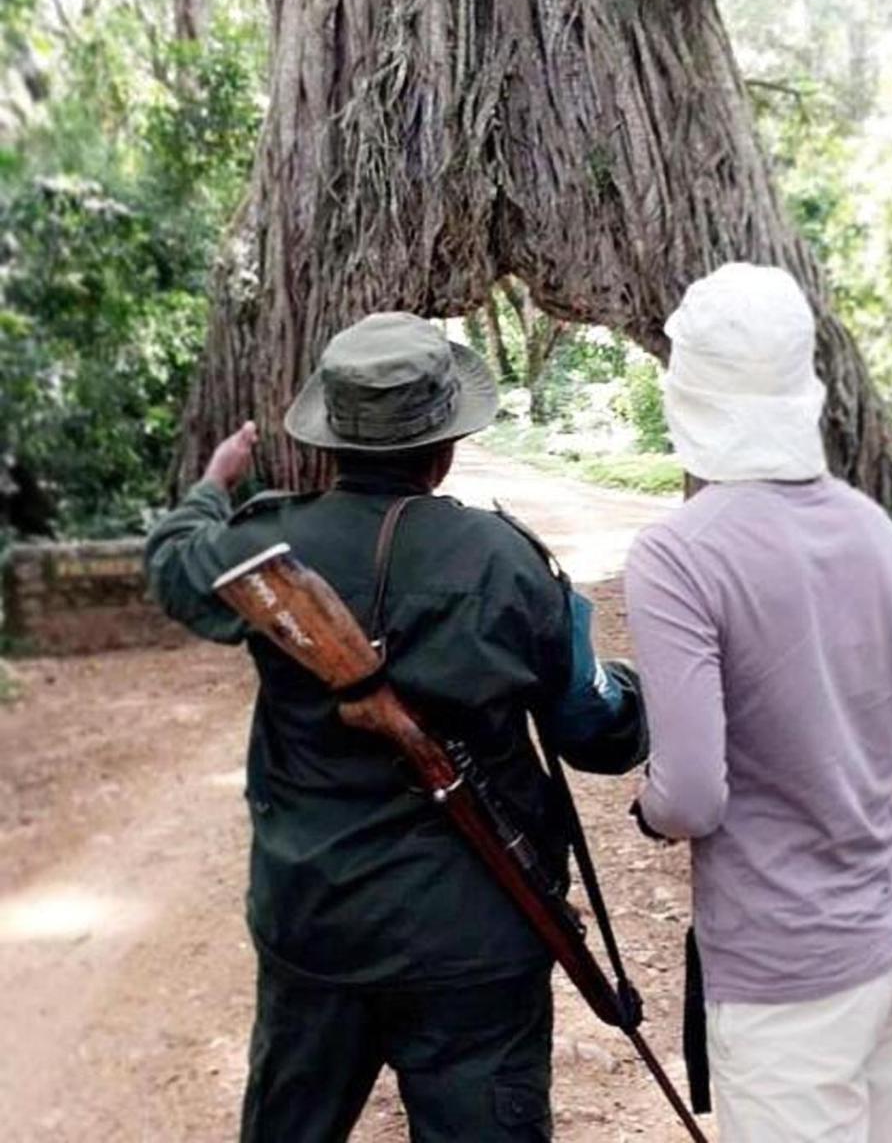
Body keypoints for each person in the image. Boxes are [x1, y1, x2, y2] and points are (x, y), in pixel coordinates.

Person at [146, 312, 646, 1142]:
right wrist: (636, 695)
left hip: (317, 925)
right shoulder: (503, 559)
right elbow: (597, 734)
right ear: (446, 444)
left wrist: (210, 486)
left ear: (332, 440)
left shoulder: (265, 543)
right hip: (479, 935)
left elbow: (173, 564)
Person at [624, 263, 892, 1143]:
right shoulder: (869, 524)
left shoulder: (678, 556)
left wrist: (646, 807)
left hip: (790, 975)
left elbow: (690, 797)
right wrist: (828, 738)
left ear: (689, 395)